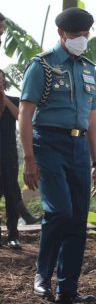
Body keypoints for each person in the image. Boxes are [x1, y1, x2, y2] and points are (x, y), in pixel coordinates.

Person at [19, 8, 96, 304]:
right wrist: (29, 159)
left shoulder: (88, 68)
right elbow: (25, 115)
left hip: (79, 148)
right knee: (59, 212)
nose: (81, 40)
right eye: (75, 35)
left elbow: (93, 119)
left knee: (78, 219)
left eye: (85, 35)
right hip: (48, 144)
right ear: (60, 34)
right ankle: (43, 275)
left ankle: (68, 289)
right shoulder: (41, 66)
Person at [0, 70, 42, 250]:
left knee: (12, 194)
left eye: (1, 79)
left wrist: (3, 97)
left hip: (8, 155)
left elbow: (20, 116)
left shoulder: (14, 100)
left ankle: (12, 235)